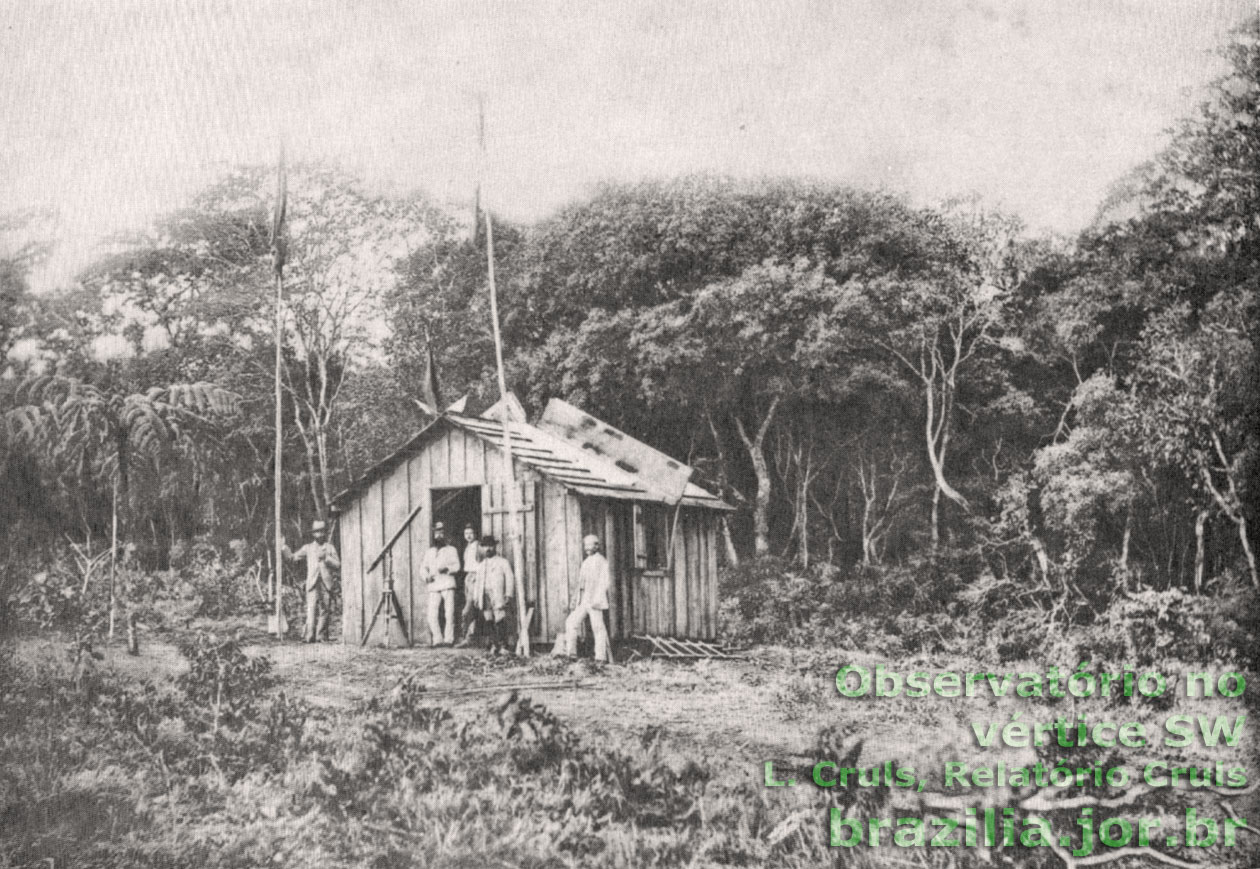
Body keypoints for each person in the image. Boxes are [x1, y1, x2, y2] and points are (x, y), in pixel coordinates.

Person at [283, 519, 340, 643]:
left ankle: (321, 636)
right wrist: (284, 548)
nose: (319, 534)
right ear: (313, 534)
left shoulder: (329, 548)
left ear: (325, 533)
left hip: (326, 583)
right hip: (313, 583)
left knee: (325, 609)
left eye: (322, 532)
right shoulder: (308, 548)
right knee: (311, 608)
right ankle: (309, 636)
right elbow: (292, 558)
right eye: (317, 532)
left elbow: (338, 564)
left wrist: (326, 558)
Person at [563, 534, 610, 661]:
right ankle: (571, 655)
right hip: (584, 600)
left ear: (597, 546)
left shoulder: (602, 561)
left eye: (591, 545)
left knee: (598, 628)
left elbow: (605, 582)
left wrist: (597, 599)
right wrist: (575, 600)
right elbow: (580, 584)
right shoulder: (585, 562)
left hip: (595, 600)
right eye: (586, 545)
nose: (587, 548)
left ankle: (600, 658)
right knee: (571, 623)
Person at [420, 521, 460, 646]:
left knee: (449, 613)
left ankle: (449, 639)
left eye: (442, 533)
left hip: (447, 583)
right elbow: (422, 567)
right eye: (437, 533)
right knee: (432, 614)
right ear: (433, 535)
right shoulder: (429, 551)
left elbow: (457, 566)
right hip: (433, 585)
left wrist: (448, 569)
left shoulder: (451, 550)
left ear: (445, 535)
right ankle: (437, 639)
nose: (439, 536)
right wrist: (426, 577)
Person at [477, 534, 515, 655]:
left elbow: (510, 578)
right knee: (488, 619)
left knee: (500, 618)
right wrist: (476, 597)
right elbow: (478, 582)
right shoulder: (482, 565)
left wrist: (508, 594)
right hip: (485, 593)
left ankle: (503, 645)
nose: (488, 549)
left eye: (490, 546)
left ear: (495, 547)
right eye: (485, 546)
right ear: (482, 548)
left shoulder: (502, 562)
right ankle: (494, 645)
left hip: (497, 593)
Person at [456, 524, 483, 647]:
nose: (468, 535)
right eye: (466, 533)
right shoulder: (467, 547)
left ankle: (467, 637)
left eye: (471, 533)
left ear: (475, 534)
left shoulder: (477, 546)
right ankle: (469, 636)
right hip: (468, 576)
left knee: (468, 608)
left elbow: (481, 563)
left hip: (475, 576)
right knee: (469, 606)